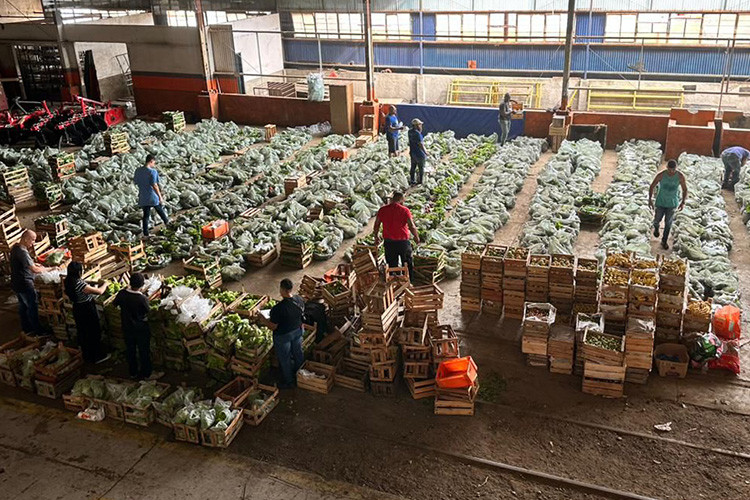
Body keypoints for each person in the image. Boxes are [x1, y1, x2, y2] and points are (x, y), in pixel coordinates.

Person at [113, 273, 162, 380]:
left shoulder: (122, 294)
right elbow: (148, 312)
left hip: (126, 326)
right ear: (142, 285)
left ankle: (133, 372)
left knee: (130, 350)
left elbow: (114, 304)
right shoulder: (142, 299)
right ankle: (146, 373)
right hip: (140, 329)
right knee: (144, 351)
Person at [10, 229, 54, 336]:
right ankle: (38, 330)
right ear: (25, 239)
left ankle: (27, 328)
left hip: (16, 282)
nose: (33, 242)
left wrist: (34, 264)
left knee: (23, 306)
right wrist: (48, 269)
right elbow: (34, 270)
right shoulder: (22, 252)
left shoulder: (15, 248)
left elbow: (25, 264)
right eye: (32, 240)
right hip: (25, 283)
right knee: (32, 307)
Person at [64, 261, 109, 364]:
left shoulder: (68, 281)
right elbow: (100, 292)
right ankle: (97, 357)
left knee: (83, 332)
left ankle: (87, 356)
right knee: (93, 332)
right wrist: (105, 284)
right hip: (86, 309)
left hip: (77, 308)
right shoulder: (79, 284)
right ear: (79, 272)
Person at [265, 279, 305, 388]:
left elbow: (273, 326)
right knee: (298, 353)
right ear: (291, 288)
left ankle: (289, 381)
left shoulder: (278, 308)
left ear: (281, 289)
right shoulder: (299, 299)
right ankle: (301, 376)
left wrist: (262, 319)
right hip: (298, 331)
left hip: (284, 336)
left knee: (285, 358)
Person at [373, 192, 421, 280]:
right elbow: (412, 226)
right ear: (401, 200)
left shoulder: (382, 210)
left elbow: (376, 225)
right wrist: (416, 237)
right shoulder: (405, 210)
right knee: (407, 263)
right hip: (403, 242)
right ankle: (409, 281)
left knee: (392, 264)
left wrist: (376, 236)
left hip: (389, 242)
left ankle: (395, 282)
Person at [649, 159, 688, 250]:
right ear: (667, 168)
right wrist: (650, 199)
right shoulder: (661, 175)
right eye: (669, 170)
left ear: (676, 168)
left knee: (668, 223)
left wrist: (683, 202)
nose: (671, 172)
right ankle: (656, 228)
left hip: (672, 203)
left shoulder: (680, 176)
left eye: (673, 170)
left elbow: (685, 189)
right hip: (661, 201)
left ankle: (664, 241)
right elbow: (652, 185)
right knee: (656, 220)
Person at [134, 154, 169, 237]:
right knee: (159, 208)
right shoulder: (152, 172)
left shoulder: (138, 171)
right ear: (151, 161)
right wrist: (160, 196)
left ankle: (146, 233)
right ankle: (167, 222)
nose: (154, 165)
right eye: (154, 163)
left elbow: (136, 182)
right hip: (151, 195)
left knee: (146, 215)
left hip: (143, 195)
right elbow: (154, 185)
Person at [408, 118, 428, 185]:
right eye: (419, 125)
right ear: (416, 125)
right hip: (419, 154)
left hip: (412, 153)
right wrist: (426, 152)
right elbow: (421, 144)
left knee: (413, 167)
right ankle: (420, 181)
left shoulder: (409, 131)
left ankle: (412, 180)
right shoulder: (417, 134)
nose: (421, 126)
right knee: (421, 168)